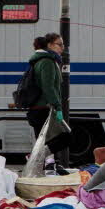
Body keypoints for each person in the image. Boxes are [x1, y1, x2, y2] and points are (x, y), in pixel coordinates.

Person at [24, 32, 70, 168]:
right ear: (49, 45)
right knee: (66, 136)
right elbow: (49, 87)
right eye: (59, 44)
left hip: (39, 109)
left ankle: (48, 166)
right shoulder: (47, 62)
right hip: (43, 108)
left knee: (45, 140)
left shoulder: (46, 60)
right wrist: (58, 107)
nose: (63, 48)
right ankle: (34, 157)